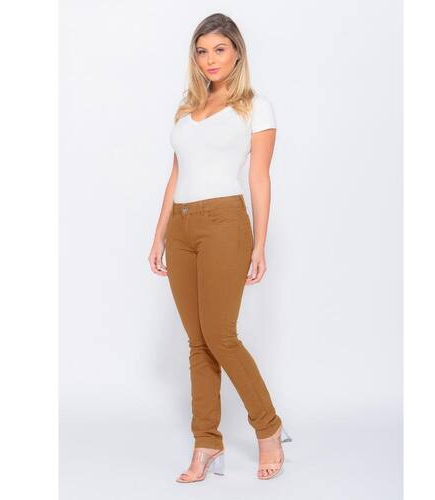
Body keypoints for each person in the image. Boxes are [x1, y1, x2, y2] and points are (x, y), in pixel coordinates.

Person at [148, 13, 292, 482]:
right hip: (181, 228)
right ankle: (206, 442)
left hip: (225, 223)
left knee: (220, 335)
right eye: (201, 51)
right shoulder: (187, 108)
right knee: (197, 342)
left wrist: (260, 244)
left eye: (219, 49)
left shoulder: (255, 107)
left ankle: (268, 428)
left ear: (237, 52)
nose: (210, 59)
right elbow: (176, 175)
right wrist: (159, 234)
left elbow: (260, 178)